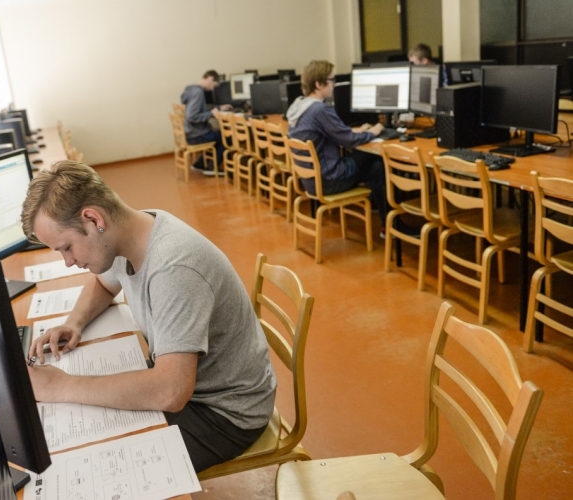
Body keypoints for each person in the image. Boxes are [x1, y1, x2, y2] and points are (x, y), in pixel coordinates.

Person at [21, 161, 277, 473]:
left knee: (102, 468)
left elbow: (170, 391)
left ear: (93, 219)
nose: (68, 262)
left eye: (67, 248)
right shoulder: (129, 232)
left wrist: (61, 387)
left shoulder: (174, 267)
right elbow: (104, 283)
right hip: (187, 384)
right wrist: (73, 322)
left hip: (225, 413)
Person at [286, 60, 388, 234]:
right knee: (376, 158)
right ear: (319, 84)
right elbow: (349, 141)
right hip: (330, 180)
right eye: (332, 80)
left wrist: (355, 130)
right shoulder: (320, 110)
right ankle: (390, 224)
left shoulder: (299, 106)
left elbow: (334, 132)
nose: (334, 84)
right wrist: (375, 131)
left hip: (311, 181)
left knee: (376, 167)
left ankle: (383, 218)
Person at [180, 70, 231, 175]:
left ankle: (200, 163)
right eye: (213, 85)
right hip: (197, 135)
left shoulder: (191, 89)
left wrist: (218, 108)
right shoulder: (198, 92)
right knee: (226, 136)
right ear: (210, 78)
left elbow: (199, 108)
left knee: (216, 133)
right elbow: (192, 116)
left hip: (191, 133)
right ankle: (212, 167)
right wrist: (211, 113)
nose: (212, 89)